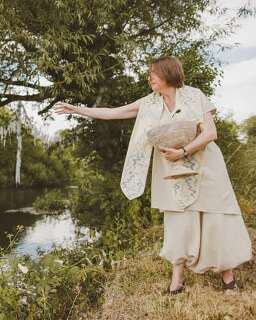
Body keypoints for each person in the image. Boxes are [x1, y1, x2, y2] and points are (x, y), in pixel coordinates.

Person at [53, 56, 252, 294]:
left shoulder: (195, 95)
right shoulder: (149, 103)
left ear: (168, 73)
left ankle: (228, 279)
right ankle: (177, 282)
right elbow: (113, 112)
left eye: (153, 74)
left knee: (214, 219)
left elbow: (210, 132)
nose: (149, 78)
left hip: (206, 166)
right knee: (178, 222)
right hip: (172, 171)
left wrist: (183, 151)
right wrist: (77, 109)